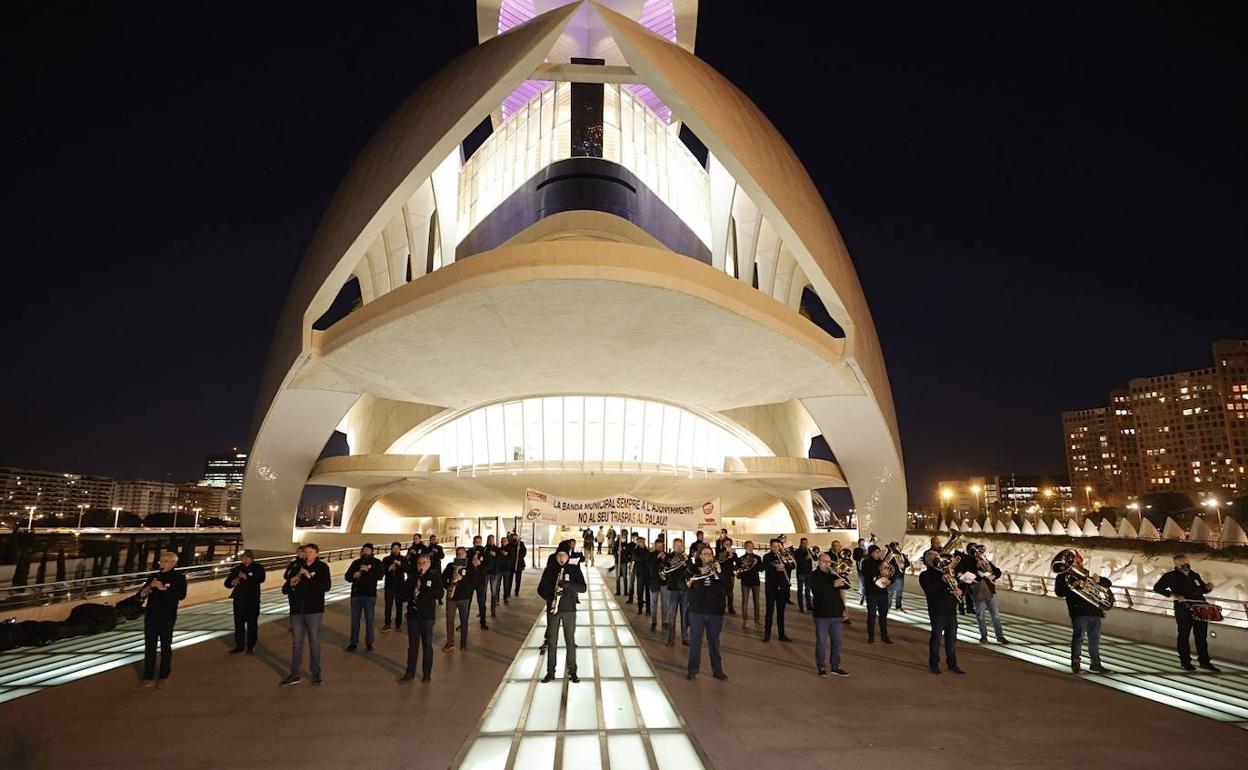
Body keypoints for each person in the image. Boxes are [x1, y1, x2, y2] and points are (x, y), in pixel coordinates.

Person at [1153, 554, 1220, 672]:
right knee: (1184, 634)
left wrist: (1208, 588)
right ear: (1177, 565)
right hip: (1183, 609)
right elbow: (1157, 588)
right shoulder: (1170, 576)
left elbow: (1202, 590)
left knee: (1201, 636)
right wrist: (1173, 595)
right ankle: (1185, 662)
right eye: (1183, 563)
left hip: (1200, 608)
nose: (1187, 565)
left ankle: (1204, 662)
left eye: (1187, 562)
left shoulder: (1194, 575)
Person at [133, 551, 188, 688]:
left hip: (167, 616)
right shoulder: (154, 576)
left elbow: (181, 596)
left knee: (165, 646)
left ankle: (164, 676)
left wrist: (162, 589)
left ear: (174, 563)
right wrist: (147, 589)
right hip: (151, 615)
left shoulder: (179, 577)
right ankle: (147, 676)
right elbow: (141, 594)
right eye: (161, 561)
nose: (162, 563)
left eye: (165, 561)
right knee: (149, 646)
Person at [282, 543, 332, 686]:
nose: (307, 554)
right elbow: (285, 589)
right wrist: (291, 583)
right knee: (297, 644)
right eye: (306, 552)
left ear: (316, 553)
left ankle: (316, 673)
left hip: (314, 610)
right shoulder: (297, 567)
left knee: (314, 642)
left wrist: (309, 577)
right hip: (297, 610)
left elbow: (326, 587)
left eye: (311, 552)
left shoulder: (322, 567)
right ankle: (295, 674)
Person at [1053, 550, 1111, 674]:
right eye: (1075, 560)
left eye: (1078, 559)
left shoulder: (1088, 574)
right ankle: (1075, 662)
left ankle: (1095, 664)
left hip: (1094, 611)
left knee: (1094, 640)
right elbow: (1059, 592)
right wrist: (1072, 586)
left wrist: (1098, 579)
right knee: (1078, 638)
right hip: (1078, 611)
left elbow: (1108, 583)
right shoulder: (1064, 576)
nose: (1078, 562)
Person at [538, 548, 588, 683]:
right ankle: (550, 672)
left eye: (564, 555)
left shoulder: (574, 569)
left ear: (568, 556)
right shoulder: (550, 570)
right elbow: (540, 589)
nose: (561, 558)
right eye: (558, 555)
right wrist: (551, 595)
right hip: (553, 610)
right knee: (551, 641)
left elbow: (583, 588)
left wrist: (569, 585)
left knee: (570, 641)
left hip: (569, 610)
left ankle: (573, 671)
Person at [685, 544, 728, 681]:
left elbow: (728, 584)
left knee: (714, 643)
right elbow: (685, 583)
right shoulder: (693, 568)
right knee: (695, 642)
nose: (708, 556)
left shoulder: (718, 568)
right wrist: (689, 582)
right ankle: (692, 670)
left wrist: (719, 572)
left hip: (715, 612)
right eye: (705, 554)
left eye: (710, 554)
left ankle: (717, 670)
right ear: (700, 555)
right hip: (697, 611)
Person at [399, 554, 443, 683]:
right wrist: (410, 592)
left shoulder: (434, 577)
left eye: (424, 563)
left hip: (427, 617)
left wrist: (424, 587)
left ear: (429, 564)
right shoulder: (412, 578)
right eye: (419, 563)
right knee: (412, 646)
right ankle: (410, 672)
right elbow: (404, 594)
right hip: (413, 616)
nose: (421, 565)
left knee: (427, 646)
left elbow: (440, 594)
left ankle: (426, 674)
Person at [919, 550, 964, 674]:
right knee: (936, 639)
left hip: (951, 610)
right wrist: (942, 580)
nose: (939, 558)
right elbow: (929, 589)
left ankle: (952, 664)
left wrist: (960, 591)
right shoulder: (925, 575)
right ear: (928, 560)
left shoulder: (948, 571)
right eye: (935, 557)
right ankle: (934, 663)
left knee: (951, 640)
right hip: (937, 611)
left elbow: (958, 585)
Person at [809, 551, 850, 677]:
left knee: (837, 642)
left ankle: (835, 666)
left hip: (836, 613)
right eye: (824, 561)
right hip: (822, 614)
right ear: (819, 562)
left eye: (829, 562)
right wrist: (833, 584)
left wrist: (842, 574)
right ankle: (821, 666)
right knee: (822, 642)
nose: (827, 564)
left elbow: (845, 587)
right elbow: (818, 591)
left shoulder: (833, 574)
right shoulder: (814, 575)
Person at [224, 549, 265, 654]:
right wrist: (233, 582)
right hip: (239, 600)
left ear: (251, 558)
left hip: (252, 600)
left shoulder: (258, 568)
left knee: (252, 623)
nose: (244, 559)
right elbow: (227, 583)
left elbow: (261, 579)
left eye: (246, 557)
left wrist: (247, 577)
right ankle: (239, 645)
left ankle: (251, 645)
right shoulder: (237, 569)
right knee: (238, 623)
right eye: (242, 558)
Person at [344, 543, 382, 652]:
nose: (365, 552)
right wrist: (353, 576)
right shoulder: (356, 563)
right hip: (356, 595)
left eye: (368, 550)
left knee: (370, 620)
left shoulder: (376, 562)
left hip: (369, 595)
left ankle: (369, 642)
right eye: (364, 550)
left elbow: (380, 576)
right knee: (355, 620)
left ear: (371, 551)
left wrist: (368, 570)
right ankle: (353, 643)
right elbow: (347, 576)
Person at [966, 545, 1008, 644]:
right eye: (973, 550)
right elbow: (968, 576)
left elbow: (997, 571)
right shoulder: (968, 562)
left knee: (996, 615)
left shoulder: (985, 560)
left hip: (990, 591)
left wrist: (993, 575)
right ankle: (984, 636)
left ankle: (1000, 636)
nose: (976, 552)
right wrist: (977, 568)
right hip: (978, 592)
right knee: (980, 616)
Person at [442, 547, 475, 651]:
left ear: (465, 554)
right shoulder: (450, 566)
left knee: (464, 621)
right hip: (451, 598)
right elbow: (442, 579)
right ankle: (450, 642)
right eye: (458, 553)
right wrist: (448, 585)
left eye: (462, 553)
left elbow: (474, 581)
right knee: (449, 620)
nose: (460, 555)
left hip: (464, 598)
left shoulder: (470, 566)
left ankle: (463, 643)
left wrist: (462, 578)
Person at [859, 545, 893, 644]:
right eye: (876, 552)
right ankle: (871, 636)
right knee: (871, 615)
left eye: (879, 552)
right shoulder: (866, 562)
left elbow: (891, 573)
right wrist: (880, 570)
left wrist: (889, 581)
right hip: (871, 593)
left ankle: (884, 636)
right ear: (871, 553)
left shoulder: (882, 562)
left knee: (883, 616)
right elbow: (867, 575)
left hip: (883, 592)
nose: (878, 553)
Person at [762, 538, 793, 642]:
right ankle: (767, 634)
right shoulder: (767, 557)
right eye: (774, 546)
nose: (776, 548)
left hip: (782, 587)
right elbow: (766, 568)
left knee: (781, 612)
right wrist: (776, 568)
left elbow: (792, 566)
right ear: (770, 546)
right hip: (771, 587)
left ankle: (781, 634)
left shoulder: (784, 555)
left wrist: (787, 561)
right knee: (769, 611)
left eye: (778, 546)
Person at [662, 538, 690, 647]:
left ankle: (685, 638)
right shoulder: (668, 557)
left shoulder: (685, 557)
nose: (679, 547)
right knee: (671, 615)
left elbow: (691, 570)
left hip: (684, 589)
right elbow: (664, 569)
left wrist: (687, 561)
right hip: (672, 588)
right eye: (677, 545)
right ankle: (671, 639)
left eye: (680, 545)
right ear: (673, 546)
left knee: (685, 615)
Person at [737, 540, 764, 629]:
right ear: (745, 547)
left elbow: (761, 569)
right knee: (745, 602)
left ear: (753, 547)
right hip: (745, 582)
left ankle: (757, 620)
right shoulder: (741, 559)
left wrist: (756, 563)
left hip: (755, 582)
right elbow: (738, 571)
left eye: (751, 546)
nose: (750, 547)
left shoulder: (757, 557)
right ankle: (745, 620)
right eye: (748, 546)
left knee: (757, 602)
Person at [381, 542, 407, 632]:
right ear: (391, 549)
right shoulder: (386, 559)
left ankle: (398, 624)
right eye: (394, 548)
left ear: (399, 549)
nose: (395, 549)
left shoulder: (403, 559)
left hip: (400, 586)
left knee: (399, 606)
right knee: (388, 605)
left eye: (397, 548)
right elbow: (382, 572)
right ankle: (387, 624)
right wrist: (389, 568)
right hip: (389, 586)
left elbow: (407, 569)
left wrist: (400, 564)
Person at [468, 536, 489, 630]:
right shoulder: (469, 552)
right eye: (476, 542)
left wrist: (481, 565)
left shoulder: (485, 552)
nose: (477, 543)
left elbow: (490, 565)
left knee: (482, 603)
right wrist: (471, 563)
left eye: (479, 542)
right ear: (473, 543)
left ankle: (483, 623)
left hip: (480, 581)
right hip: (470, 582)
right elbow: (464, 564)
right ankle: (464, 623)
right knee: (467, 603)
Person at [648, 540, 668, 632]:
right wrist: (657, 557)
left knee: (664, 603)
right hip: (654, 582)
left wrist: (664, 559)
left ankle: (664, 622)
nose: (660, 548)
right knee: (653, 603)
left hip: (664, 582)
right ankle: (654, 622)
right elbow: (649, 566)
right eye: (658, 546)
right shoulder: (651, 555)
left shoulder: (667, 555)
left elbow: (669, 567)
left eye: (661, 546)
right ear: (655, 546)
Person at [717, 537, 738, 615]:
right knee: (722, 592)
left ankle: (730, 608)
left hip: (730, 574)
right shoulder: (719, 552)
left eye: (729, 544)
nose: (728, 545)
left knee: (730, 592)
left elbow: (738, 562)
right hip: (721, 574)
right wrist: (725, 556)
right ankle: (722, 608)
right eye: (726, 544)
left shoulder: (733, 552)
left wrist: (733, 557)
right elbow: (717, 561)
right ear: (723, 544)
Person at [792, 537, 814, 613]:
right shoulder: (797, 551)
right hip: (801, 573)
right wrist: (805, 558)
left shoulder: (809, 551)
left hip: (808, 573)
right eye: (804, 543)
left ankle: (809, 606)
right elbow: (798, 562)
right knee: (800, 590)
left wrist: (812, 553)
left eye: (806, 543)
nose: (805, 545)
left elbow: (815, 558)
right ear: (801, 543)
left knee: (808, 590)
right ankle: (801, 607)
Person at [484, 534, 503, 618]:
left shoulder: (497, 550)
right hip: (486, 573)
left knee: (494, 592)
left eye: (492, 540)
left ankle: (493, 610)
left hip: (494, 573)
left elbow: (501, 559)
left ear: (494, 540)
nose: (490, 541)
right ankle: (482, 610)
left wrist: (495, 555)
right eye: (489, 540)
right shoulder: (485, 549)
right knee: (483, 592)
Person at [633, 536, 651, 616]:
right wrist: (648, 553)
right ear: (638, 543)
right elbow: (642, 559)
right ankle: (640, 609)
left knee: (648, 593)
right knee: (640, 592)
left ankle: (648, 609)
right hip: (640, 574)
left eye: (644, 542)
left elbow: (649, 560)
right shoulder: (635, 551)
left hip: (648, 574)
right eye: (642, 542)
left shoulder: (647, 550)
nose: (643, 544)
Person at [615, 529, 634, 598]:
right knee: (617, 577)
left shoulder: (627, 544)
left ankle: (625, 591)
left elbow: (628, 553)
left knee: (625, 577)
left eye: (625, 535)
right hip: (618, 562)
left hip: (624, 562)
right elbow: (613, 551)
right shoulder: (617, 543)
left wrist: (624, 552)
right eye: (623, 535)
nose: (624, 537)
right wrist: (617, 552)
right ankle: (618, 591)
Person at [853, 538, 868, 605]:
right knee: (861, 584)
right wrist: (863, 553)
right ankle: (861, 598)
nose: (862, 544)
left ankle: (866, 597)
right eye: (861, 543)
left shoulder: (867, 549)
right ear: (859, 543)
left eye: (863, 542)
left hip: (867, 569)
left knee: (867, 584)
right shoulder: (856, 550)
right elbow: (855, 558)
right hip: (860, 569)